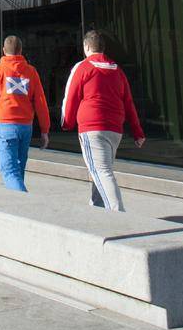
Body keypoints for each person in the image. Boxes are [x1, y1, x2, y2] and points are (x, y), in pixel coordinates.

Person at [60, 29, 144, 212]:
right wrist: (138, 132)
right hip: (114, 130)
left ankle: (118, 214)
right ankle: (95, 209)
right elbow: (129, 102)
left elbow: (71, 96)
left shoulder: (83, 67)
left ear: (87, 46)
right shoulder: (117, 70)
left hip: (92, 128)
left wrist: (67, 122)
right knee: (99, 169)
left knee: (101, 172)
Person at [0, 34, 50, 191]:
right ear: (21, 51)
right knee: (18, 170)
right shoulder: (31, 71)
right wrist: (45, 130)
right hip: (26, 127)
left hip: (6, 126)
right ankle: (18, 206)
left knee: (9, 171)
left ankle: (27, 205)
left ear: (3, 50)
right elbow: (41, 102)